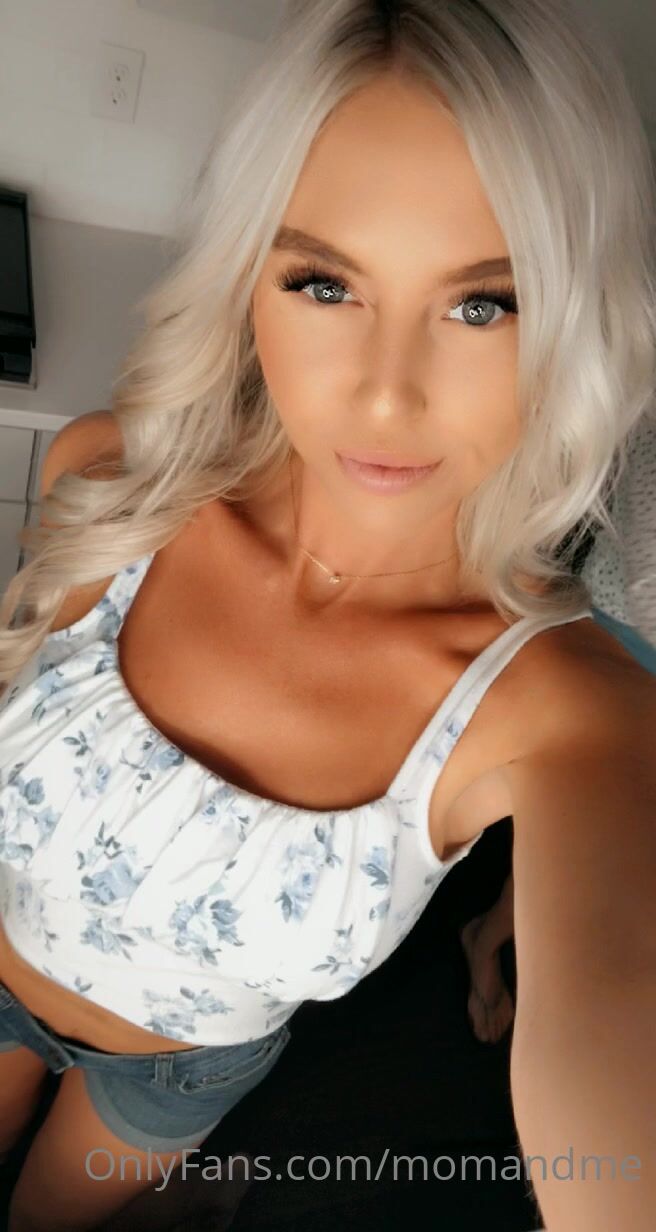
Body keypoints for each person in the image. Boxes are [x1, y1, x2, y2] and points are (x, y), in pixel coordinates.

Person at [0, 2, 655, 1230]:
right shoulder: (109, 483)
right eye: (324, 283)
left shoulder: (572, 715)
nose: (385, 394)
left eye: (483, 303)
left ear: (574, 314)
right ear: (249, 278)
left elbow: (617, 1063)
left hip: (171, 1078)